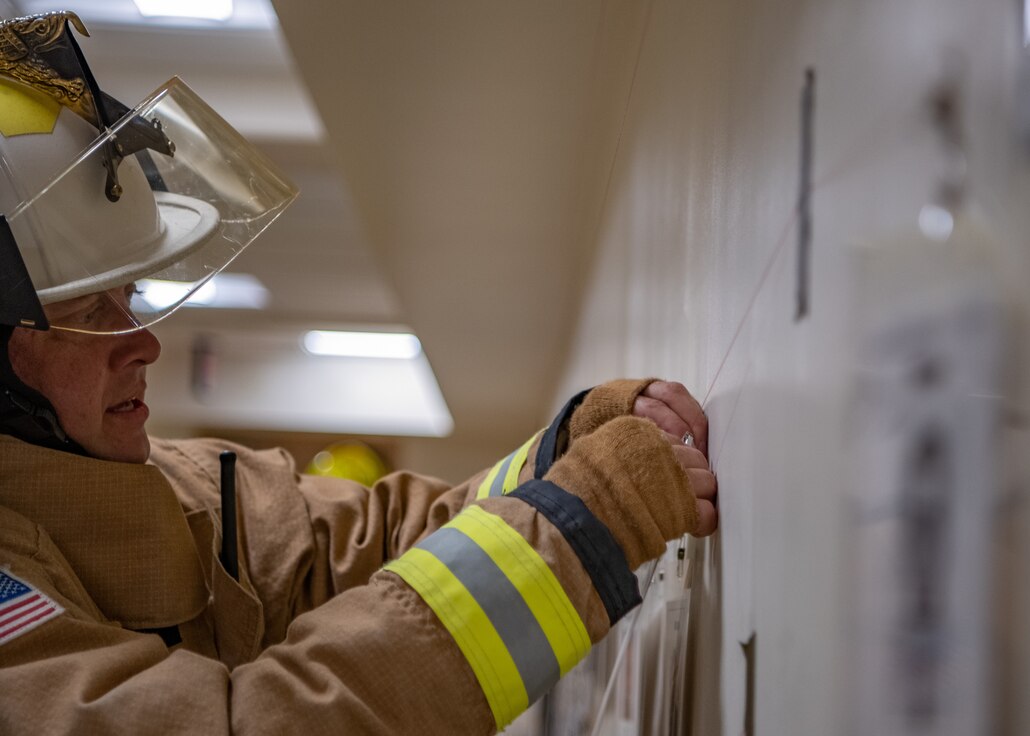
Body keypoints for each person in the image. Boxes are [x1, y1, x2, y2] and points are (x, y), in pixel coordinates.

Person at [0, 11, 717, 735]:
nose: (144, 344)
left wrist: (561, 457)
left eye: (134, 296)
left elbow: (382, 543)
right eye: (91, 311)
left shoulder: (186, 489)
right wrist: (577, 526)